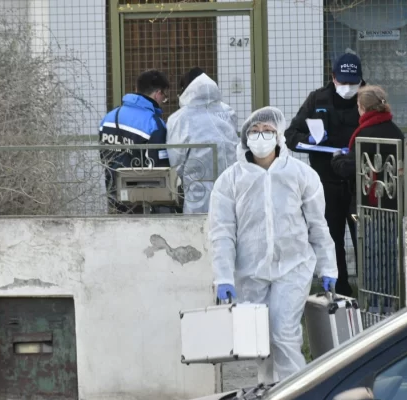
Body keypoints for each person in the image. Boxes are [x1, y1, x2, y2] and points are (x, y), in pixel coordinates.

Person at [209, 107, 338, 383]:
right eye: (254, 131)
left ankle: (297, 396)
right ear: (244, 138)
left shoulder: (301, 175)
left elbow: (318, 225)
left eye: (267, 131)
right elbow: (221, 232)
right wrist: (222, 276)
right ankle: (267, 393)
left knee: (283, 332)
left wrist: (328, 267)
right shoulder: (230, 180)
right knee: (259, 338)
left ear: (279, 136)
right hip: (250, 271)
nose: (261, 136)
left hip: (293, 266)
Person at [284, 52, 366, 297]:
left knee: (364, 239)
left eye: (354, 82)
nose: (349, 88)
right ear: (333, 77)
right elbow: (290, 136)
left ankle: (371, 291)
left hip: (359, 181)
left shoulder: (368, 98)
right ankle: (339, 290)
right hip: (325, 182)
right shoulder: (317, 98)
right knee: (332, 238)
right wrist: (306, 141)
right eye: (344, 82)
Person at [330, 85, 405, 315]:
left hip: (369, 205)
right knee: (389, 254)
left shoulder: (364, 133)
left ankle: (373, 305)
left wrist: (338, 160)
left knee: (371, 255)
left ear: (362, 108)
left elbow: (354, 168)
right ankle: (390, 303)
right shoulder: (394, 130)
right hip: (392, 203)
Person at [99, 70, 172, 214]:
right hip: (143, 202)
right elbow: (159, 167)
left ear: (137, 89)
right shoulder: (153, 123)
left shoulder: (108, 118)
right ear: (158, 93)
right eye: (164, 97)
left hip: (114, 195)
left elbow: (104, 156)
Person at [166, 68, 238, 213]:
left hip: (197, 188)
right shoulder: (227, 111)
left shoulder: (180, 118)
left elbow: (176, 158)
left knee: (196, 229)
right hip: (231, 185)